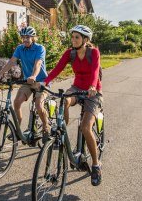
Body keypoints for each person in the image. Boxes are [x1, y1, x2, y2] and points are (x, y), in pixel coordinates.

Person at [43, 25, 103, 186]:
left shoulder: (94, 52)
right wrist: (45, 82)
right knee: (64, 100)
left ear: (85, 40)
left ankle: (96, 165)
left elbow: (95, 71)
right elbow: (57, 69)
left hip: (92, 92)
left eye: (77, 37)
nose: (74, 40)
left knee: (85, 128)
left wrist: (92, 87)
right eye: (73, 37)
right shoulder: (70, 53)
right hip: (76, 88)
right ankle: (62, 130)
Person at [0, 26, 50, 142]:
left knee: (39, 105)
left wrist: (34, 76)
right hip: (27, 82)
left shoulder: (40, 48)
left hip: (41, 81)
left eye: (28, 37)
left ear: (33, 38)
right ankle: (18, 130)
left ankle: (46, 127)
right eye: (23, 37)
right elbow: (11, 61)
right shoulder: (20, 49)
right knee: (17, 102)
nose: (25, 40)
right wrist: (0, 74)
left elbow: (38, 63)